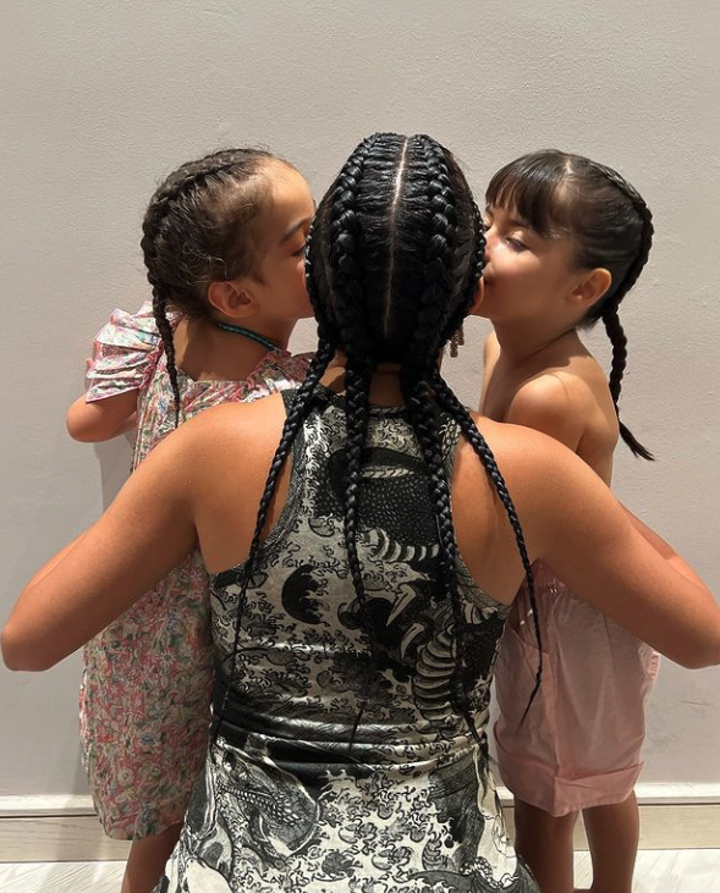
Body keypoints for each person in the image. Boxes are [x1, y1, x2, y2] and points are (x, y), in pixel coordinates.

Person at [3, 133, 720, 893]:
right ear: (464, 294)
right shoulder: (530, 471)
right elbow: (702, 638)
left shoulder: (211, 449)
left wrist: (152, 492)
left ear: (320, 280)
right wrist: (581, 500)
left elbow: (26, 642)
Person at [64, 147, 314, 893]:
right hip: (200, 634)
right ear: (233, 296)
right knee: (178, 812)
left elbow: (86, 421)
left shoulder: (162, 334)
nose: (329, 250)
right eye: (303, 244)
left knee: (171, 814)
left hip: (140, 616)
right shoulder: (277, 401)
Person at [478, 149, 659, 893]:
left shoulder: (549, 394)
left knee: (550, 795)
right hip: (558, 604)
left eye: (515, 239)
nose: (484, 244)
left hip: (563, 616)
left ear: (584, 288)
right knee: (593, 774)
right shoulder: (499, 344)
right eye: (486, 222)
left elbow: (510, 529)